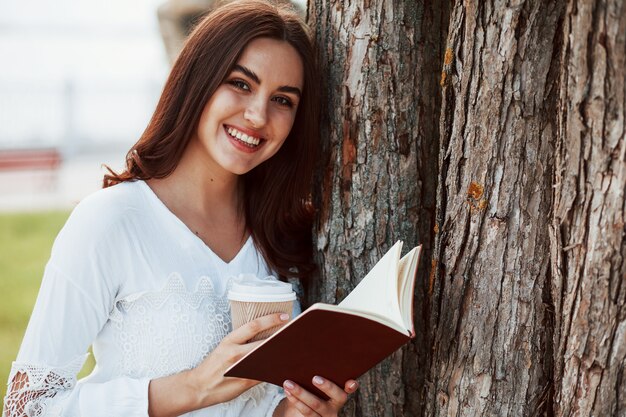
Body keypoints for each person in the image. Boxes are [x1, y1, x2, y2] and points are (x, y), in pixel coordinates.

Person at [2, 1, 358, 416]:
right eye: (241, 84)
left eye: (282, 99)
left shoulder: (283, 234)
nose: (258, 115)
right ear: (197, 80)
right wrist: (195, 387)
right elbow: (26, 407)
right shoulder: (111, 221)